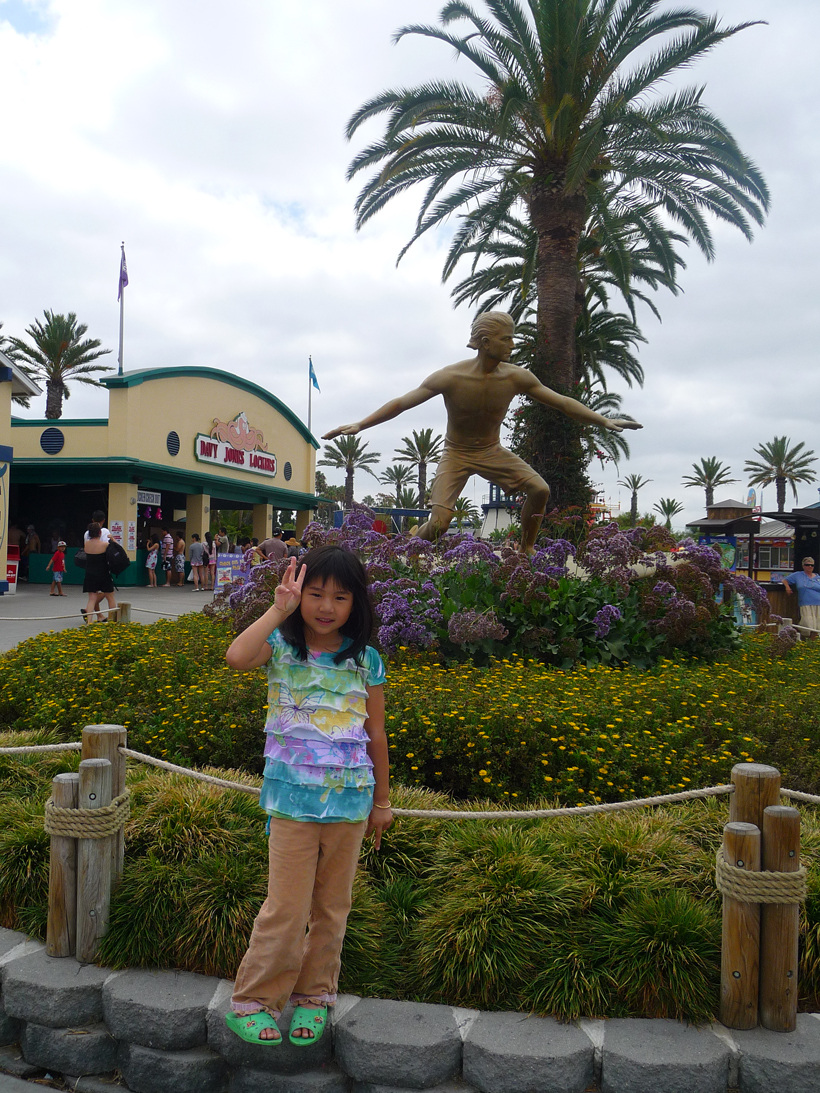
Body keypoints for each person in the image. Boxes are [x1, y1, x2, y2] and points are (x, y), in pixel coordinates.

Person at [223, 546, 391, 1047]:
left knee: (332, 907)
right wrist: (279, 606)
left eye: (339, 597)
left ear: (355, 603)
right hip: (292, 805)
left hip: (350, 804)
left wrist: (382, 802)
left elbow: (376, 734)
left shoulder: (366, 659)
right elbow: (235, 658)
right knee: (287, 908)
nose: (325, 606)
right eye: (315, 594)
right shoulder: (280, 645)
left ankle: (315, 997)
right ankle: (252, 1001)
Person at [324, 311, 641, 555]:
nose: (512, 344)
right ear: (486, 342)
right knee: (438, 526)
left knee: (540, 490)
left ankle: (526, 547)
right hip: (456, 453)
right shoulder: (451, 377)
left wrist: (604, 421)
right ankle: (410, 547)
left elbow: (561, 402)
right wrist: (360, 425)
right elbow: (401, 403)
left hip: (491, 450)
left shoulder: (517, 377)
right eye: (506, 339)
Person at [82, 523, 116, 624]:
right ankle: (112, 620)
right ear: (100, 533)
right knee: (110, 596)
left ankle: (89, 622)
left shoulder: (86, 544)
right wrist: (112, 539)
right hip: (103, 573)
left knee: (92, 598)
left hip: (90, 573)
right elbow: (117, 549)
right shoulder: (105, 545)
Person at [782, 557, 820, 630]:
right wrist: (787, 587)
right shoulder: (797, 575)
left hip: (818, 604)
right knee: (807, 624)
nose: (810, 567)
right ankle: (807, 639)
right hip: (805, 603)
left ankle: (814, 641)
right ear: (803, 566)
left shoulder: (818, 577)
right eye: (807, 565)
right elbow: (785, 580)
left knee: (818, 625)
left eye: (812, 565)